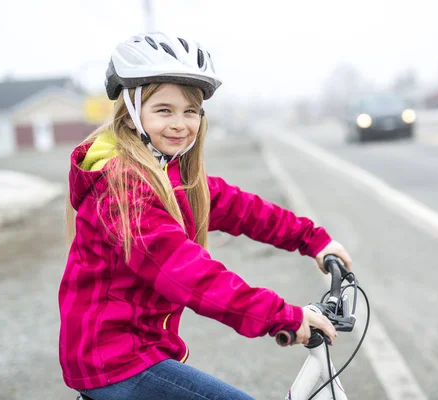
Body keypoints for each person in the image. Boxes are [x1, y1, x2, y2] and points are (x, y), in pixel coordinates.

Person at [58, 32, 353, 400]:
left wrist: (312, 239)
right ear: (132, 115)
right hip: (115, 363)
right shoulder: (122, 192)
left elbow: (240, 208)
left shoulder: (169, 174)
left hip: (141, 353)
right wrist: (283, 316)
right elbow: (191, 276)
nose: (180, 124)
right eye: (163, 110)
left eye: (190, 111)